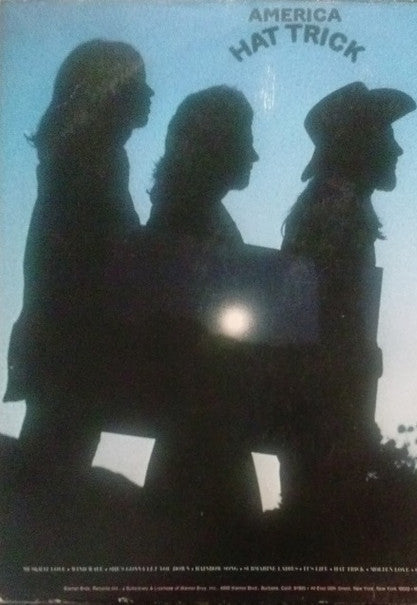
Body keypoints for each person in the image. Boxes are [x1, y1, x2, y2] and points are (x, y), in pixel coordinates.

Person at [3, 39, 153, 481]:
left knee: (52, 458)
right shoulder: (92, 157)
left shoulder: (85, 153)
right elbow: (110, 248)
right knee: (54, 466)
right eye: (138, 83)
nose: (150, 93)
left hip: (60, 340)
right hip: (71, 344)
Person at [281, 81, 416, 511]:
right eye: (386, 135)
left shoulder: (338, 206)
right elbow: (325, 326)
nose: (398, 150)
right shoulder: (336, 211)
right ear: (359, 144)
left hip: (329, 413)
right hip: (326, 417)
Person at [138, 87, 261, 555]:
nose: (254, 154)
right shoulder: (188, 216)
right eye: (245, 139)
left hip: (206, 420)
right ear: (216, 142)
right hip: (203, 420)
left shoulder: (196, 212)